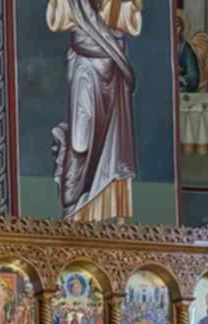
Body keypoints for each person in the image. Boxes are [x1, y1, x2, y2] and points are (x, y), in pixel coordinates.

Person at [47, 0, 141, 221]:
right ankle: (77, 208)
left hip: (112, 67)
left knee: (112, 142)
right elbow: (57, 21)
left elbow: (131, 24)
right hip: (84, 67)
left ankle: (108, 210)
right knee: (81, 140)